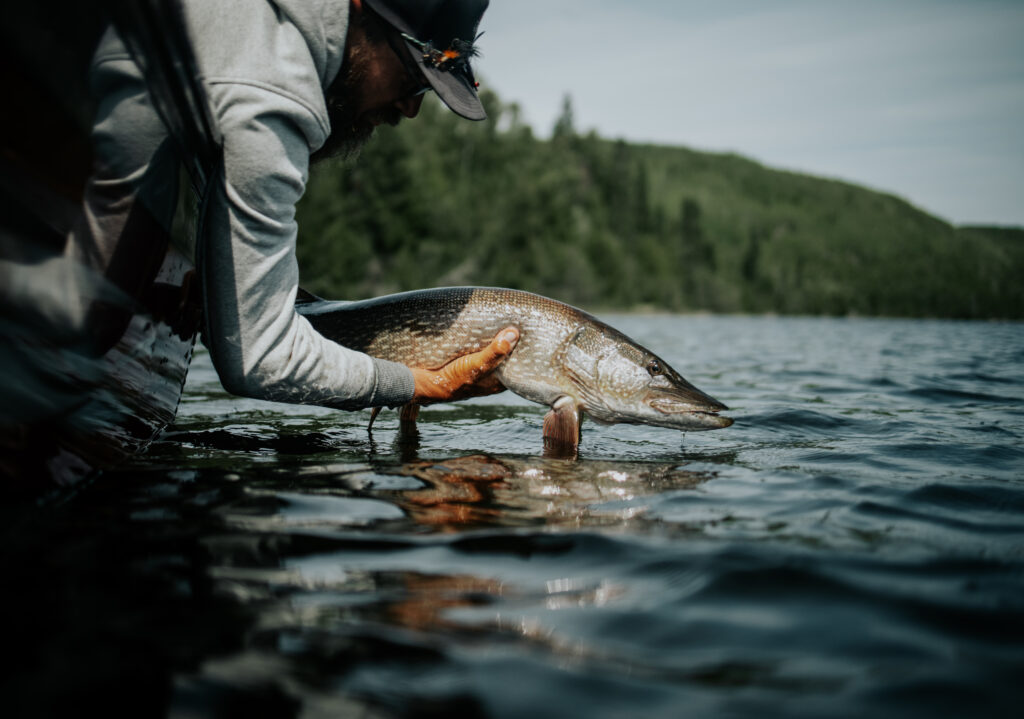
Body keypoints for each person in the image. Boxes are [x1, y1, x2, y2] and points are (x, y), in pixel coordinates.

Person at [1, 0, 516, 485]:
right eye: (412, 75)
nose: (409, 108)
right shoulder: (275, 93)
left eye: (425, 89)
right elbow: (260, 355)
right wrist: (419, 381)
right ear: (358, 9)